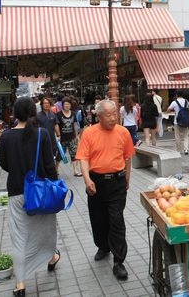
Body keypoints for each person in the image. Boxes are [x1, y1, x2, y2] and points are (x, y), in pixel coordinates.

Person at [0, 97, 61, 297]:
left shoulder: (6, 137)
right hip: (41, 193)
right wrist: (55, 185)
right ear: (33, 114)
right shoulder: (42, 134)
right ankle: (51, 258)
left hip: (17, 192)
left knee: (19, 239)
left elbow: (4, 164)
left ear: (15, 114)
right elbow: (50, 165)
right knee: (45, 231)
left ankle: (21, 285)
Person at [76, 100, 135, 280]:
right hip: (96, 182)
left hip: (117, 182)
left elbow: (127, 158)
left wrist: (127, 179)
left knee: (116, 220)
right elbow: (83, 158)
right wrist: (87, 180)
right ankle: (103, 246)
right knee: (98, 217)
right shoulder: (89, 133)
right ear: (99, 116)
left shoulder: (123, 132)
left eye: (114, 114)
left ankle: (119, 261)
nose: (112, 118)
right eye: (108, 115)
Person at [37, 96, 61, 175]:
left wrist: (59, 135)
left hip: (52, 138)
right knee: (43, 154)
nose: (47, 105)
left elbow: (56, 125)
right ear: (41, 105)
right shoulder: (38, 115)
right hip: (41, 139)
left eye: (48, 103)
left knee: (52, 155)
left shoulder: (53, 114)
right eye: (45, 103)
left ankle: (52, 170)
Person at [57, 97, 81, 176]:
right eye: (65, 104)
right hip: (62, 138)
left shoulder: (73, 113)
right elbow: (57, 125)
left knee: (74, 153)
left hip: (72, 137)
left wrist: (76, 135)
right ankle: (56, 168)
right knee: (60, 155)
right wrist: (58, 135)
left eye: (68, 104)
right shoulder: (59, 114)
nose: (67, 106)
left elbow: (75, 125)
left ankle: (75, 170)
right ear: (63, 105)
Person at [166, 90, 189, 155]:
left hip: (177, 121)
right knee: (186, 136)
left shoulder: (174, 102)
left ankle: (179, 149)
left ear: (176, 95)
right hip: (185, 121)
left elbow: (168, 109)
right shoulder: (186, 101)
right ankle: (186, 149)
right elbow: (188, 108)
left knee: (177, 136)